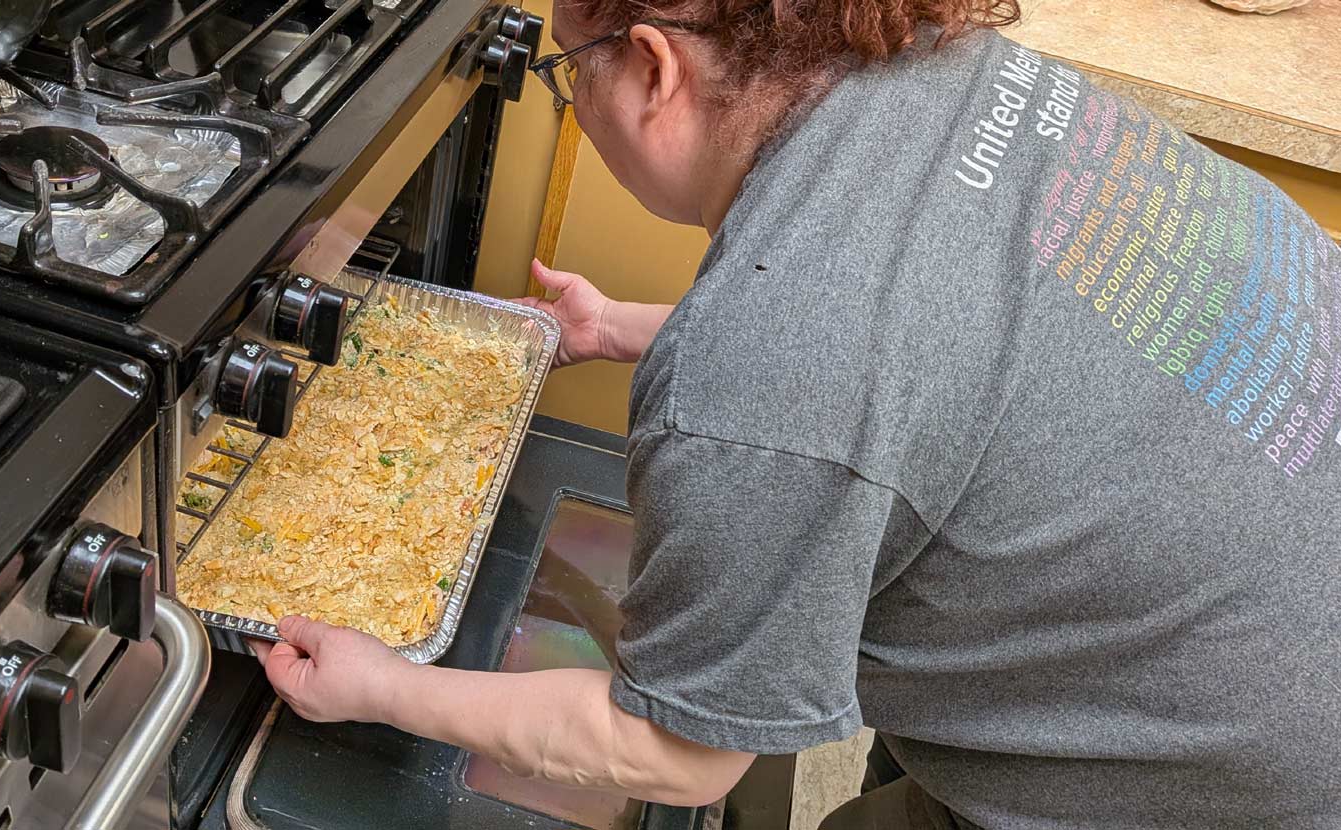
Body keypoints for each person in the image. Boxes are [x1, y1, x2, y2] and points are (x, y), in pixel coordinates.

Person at [250, 0, 1341, 826]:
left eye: (565, 72)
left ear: (652, 66)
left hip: (1238, 774)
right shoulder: (934, 65)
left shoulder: (763, 367)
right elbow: (933, 326)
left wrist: (386, 684)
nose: (568, 100)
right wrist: (634, 326)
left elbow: (675, 751)